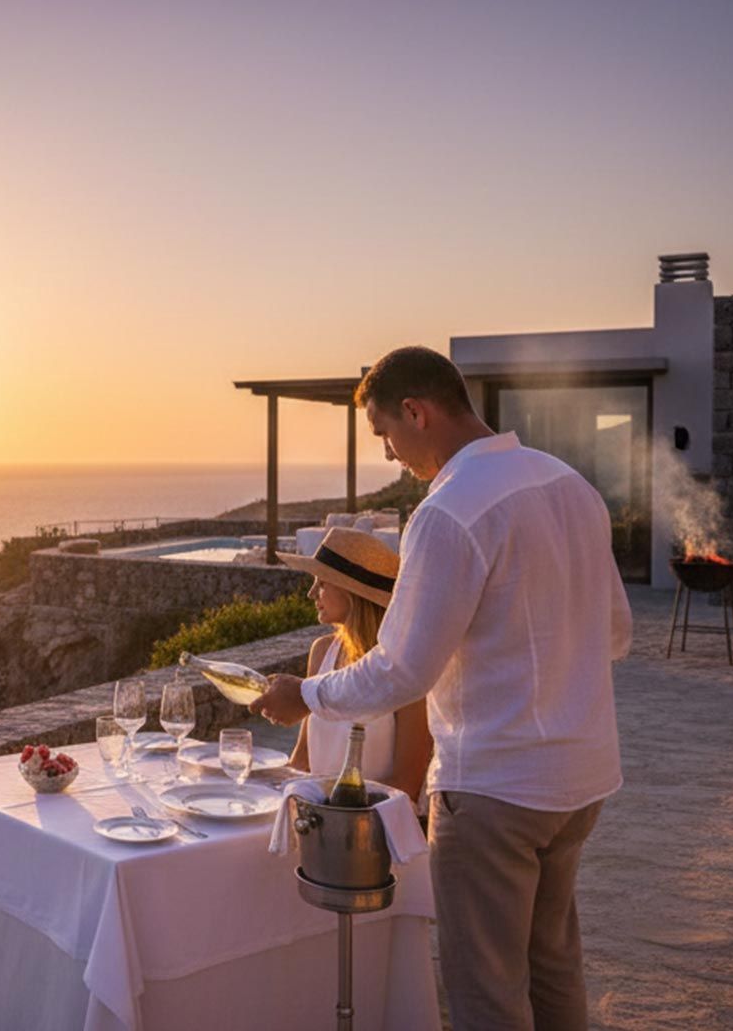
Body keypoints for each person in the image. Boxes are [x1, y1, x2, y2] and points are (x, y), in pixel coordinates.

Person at [251, 346, 632, 1031]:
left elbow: (401, 670)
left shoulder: (449, 509)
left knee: (485, 990)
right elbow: (615, 634)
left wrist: (302, 695)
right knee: (551, 967)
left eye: (385, 435)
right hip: (582, 780)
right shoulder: (571, 486)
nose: (390, 455)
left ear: (415, 412)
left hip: (494, 790)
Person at [276, 527, 433, 804]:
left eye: (322, 582)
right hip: (315, 819)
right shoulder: (322, 651)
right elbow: (302, 761)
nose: (312, 593)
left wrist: (333, 813)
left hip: (376, 830)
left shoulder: (404, 670)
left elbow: (407, 784)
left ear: (352, 592)